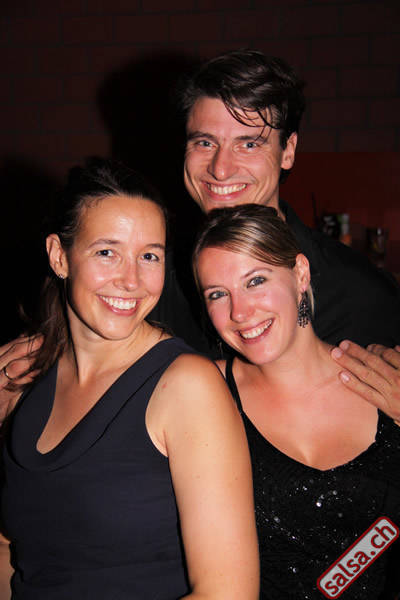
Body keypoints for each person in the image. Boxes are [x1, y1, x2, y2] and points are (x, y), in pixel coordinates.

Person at [2, 52, 400, 415]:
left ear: (289, 150)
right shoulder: (146, 281)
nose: (221, 169)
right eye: (205, 142)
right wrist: (44, 358)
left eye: (249, 144)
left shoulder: (361, 296)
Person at [0, 159, 259, 600]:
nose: (131, 280)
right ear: (59, 256)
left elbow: (227, 593)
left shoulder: (186, 386)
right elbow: (15, 554)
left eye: (149, 256)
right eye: (107, 252)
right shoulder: (26, 380)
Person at [193, 204, 400, 600]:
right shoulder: (202, 390)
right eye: (218, 294)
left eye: (256, 281)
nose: (240, 312)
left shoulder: (385, 383)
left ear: (300, 274)